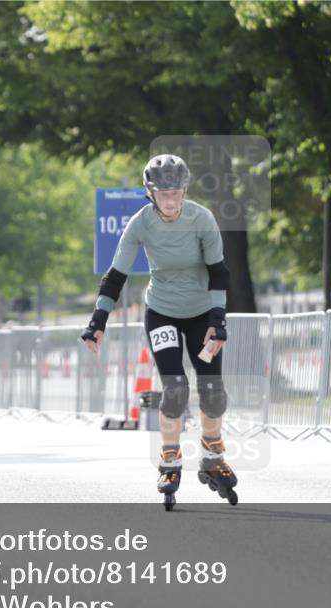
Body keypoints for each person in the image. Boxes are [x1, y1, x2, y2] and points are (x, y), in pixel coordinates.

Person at [80, 154, 238, 509]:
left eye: (176, 193)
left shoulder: (202, 219)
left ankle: (213, 457)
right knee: (176, 388)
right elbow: (115, 275)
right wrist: (98, 321)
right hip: (162, 312)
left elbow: (219, 272)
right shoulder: (140, 224)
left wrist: (218, 320)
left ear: (185, 191)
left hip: (202, 313)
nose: (170, 201)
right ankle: (169, 461)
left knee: (212, 391)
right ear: (151, 193)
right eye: (163, 194)